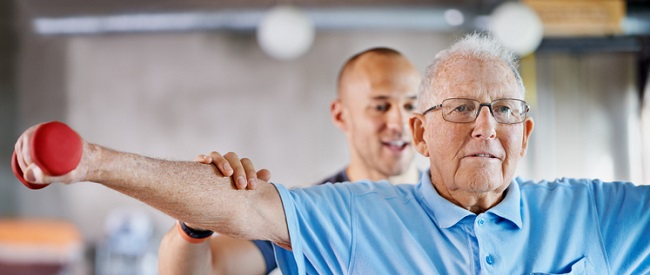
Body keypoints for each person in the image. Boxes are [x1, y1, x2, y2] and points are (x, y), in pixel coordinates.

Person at [14, 33, 650, 274]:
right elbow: (223, 234)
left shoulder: (591, 213)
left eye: (504, 110)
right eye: (459, 108)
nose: (485, 126)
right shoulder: (344, 214)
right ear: (425, 132)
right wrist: (91, 163)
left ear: (526, 131)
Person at [157, 47, 422, 274]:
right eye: (380, 107)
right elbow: (211, 269)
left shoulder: (450, 201)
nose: (399, 124)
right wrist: (195, 220)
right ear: (341, 116)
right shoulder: (307, 213)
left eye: (411, 106)